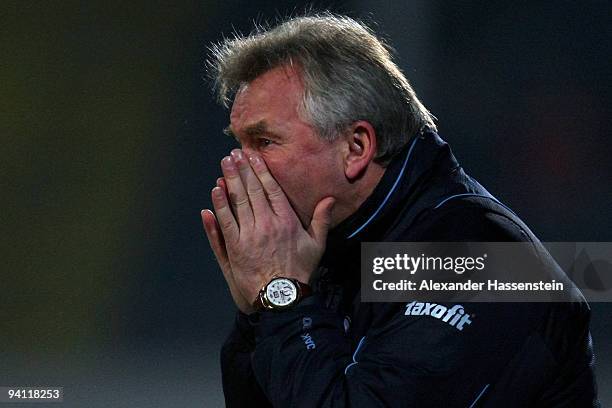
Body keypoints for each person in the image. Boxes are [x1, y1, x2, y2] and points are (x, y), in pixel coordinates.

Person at [201, 13, 598, 407]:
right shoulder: (332, 246)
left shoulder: (482, 258)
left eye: (264, 141)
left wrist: (282, 299)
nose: (238, 165)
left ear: (356, 147)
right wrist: (259, 315)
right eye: (239, 143)